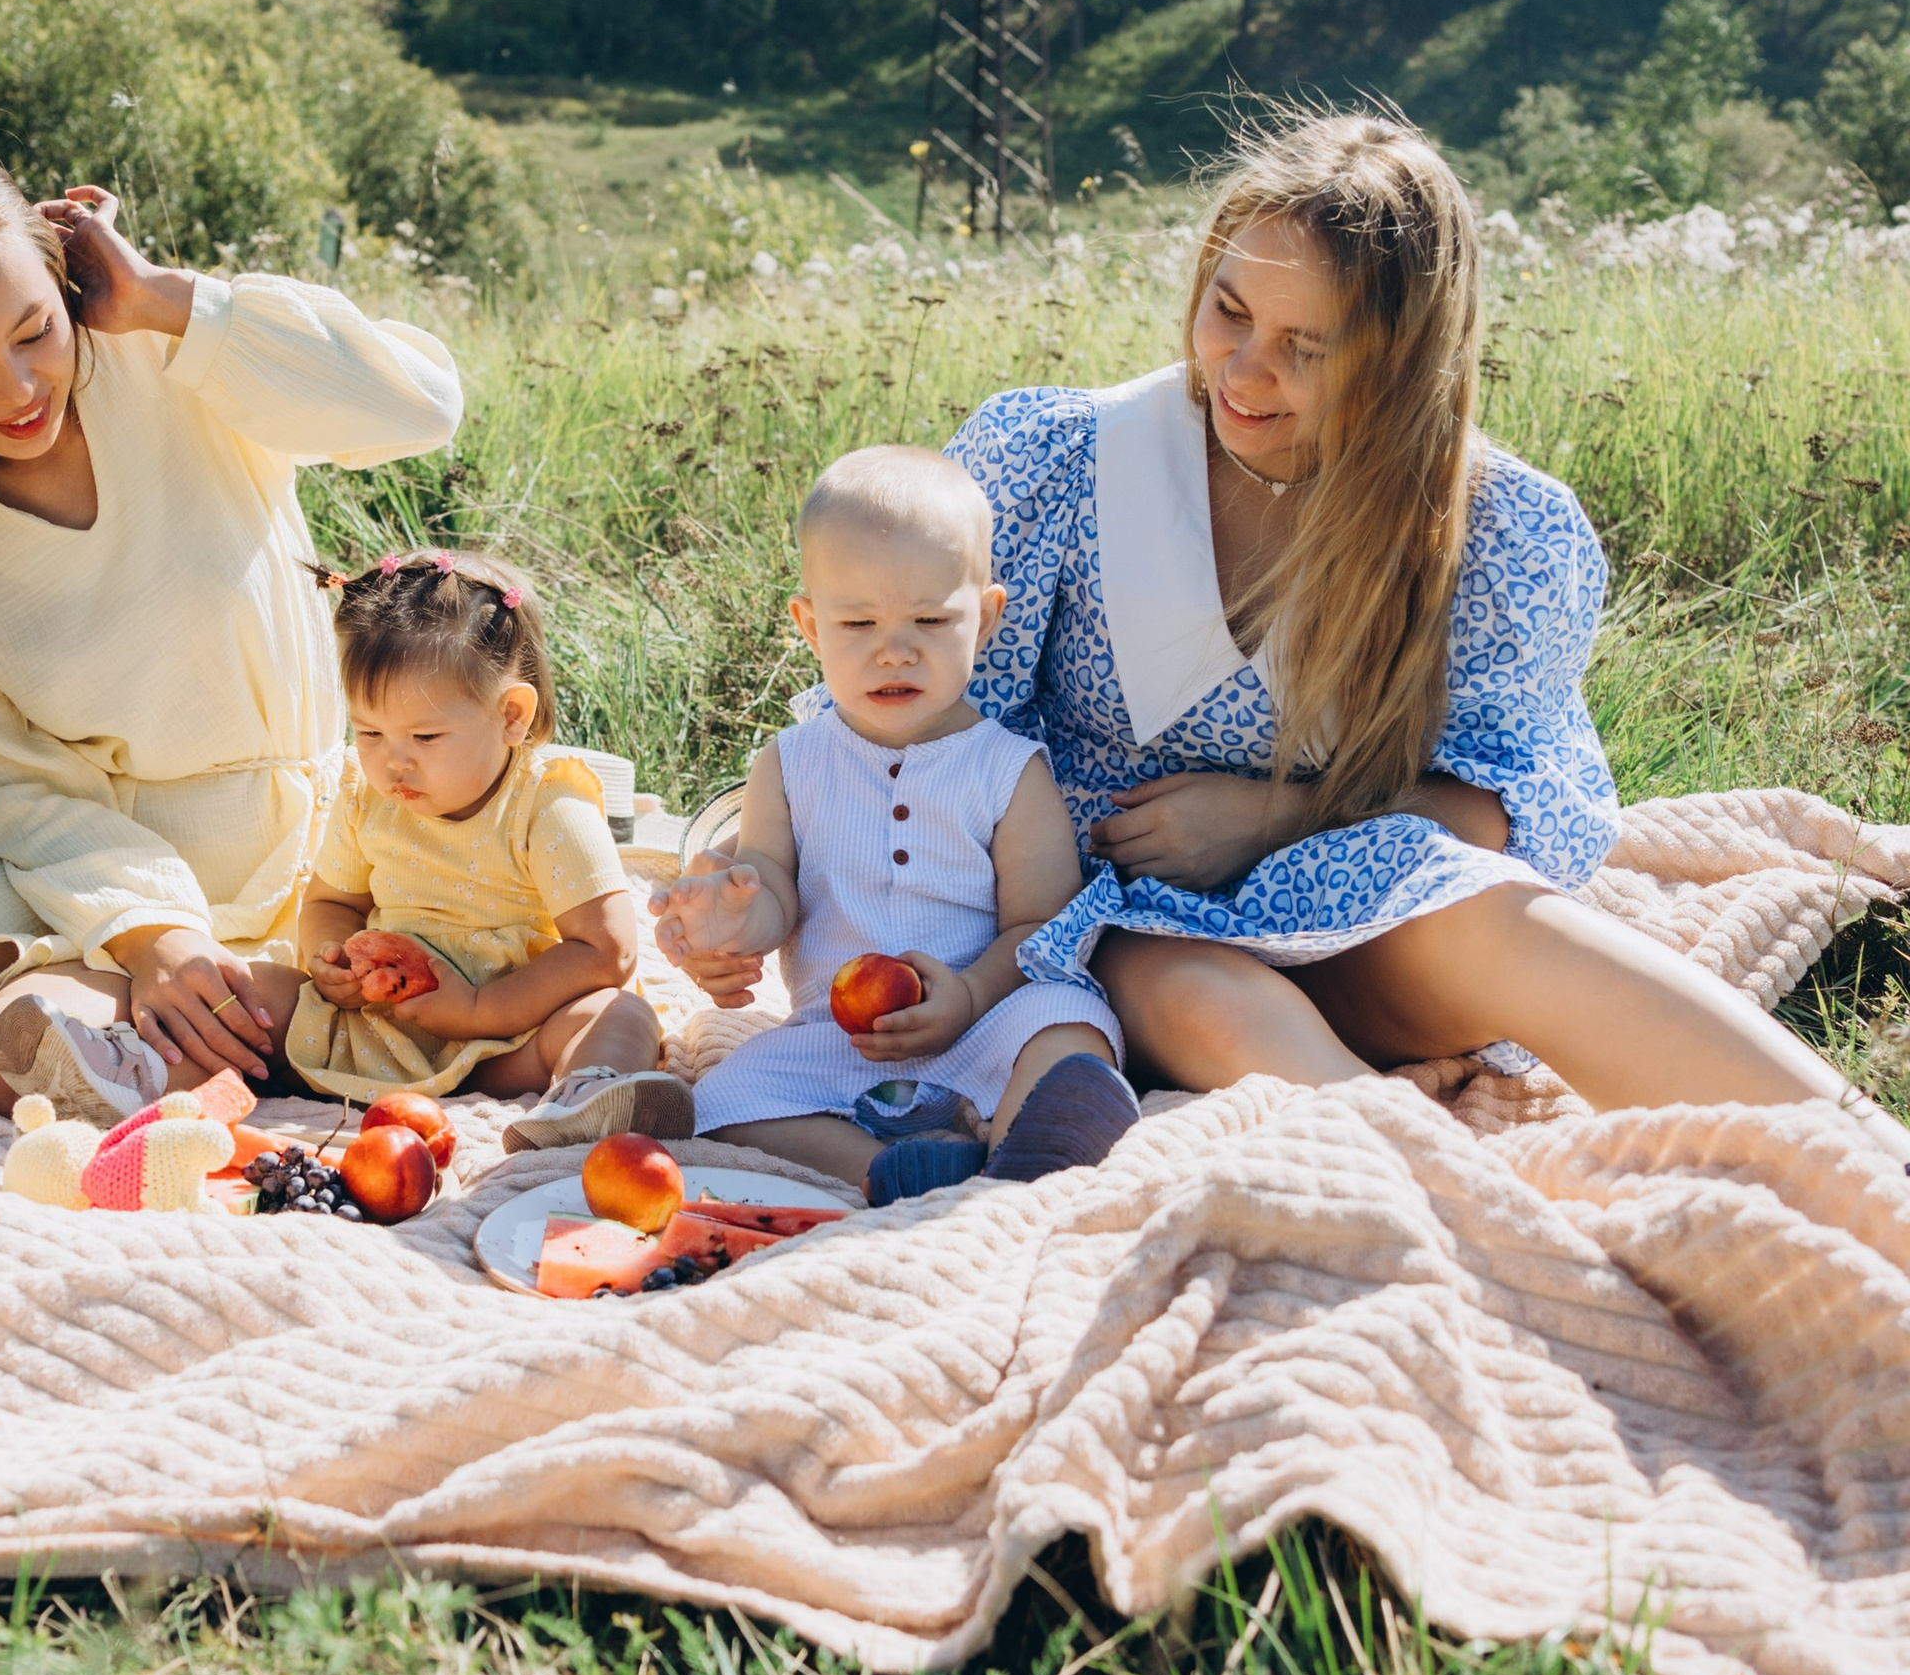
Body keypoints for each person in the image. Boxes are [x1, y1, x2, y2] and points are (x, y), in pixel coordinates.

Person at [931, 110, 1858, 1112]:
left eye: (1304, 347)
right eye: (1228, 311)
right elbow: (930, 729)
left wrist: (1269, 821)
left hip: (1355, 904)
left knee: (1516, 926)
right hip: (1110, 925)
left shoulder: (1496, 527)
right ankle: (1456, 1185)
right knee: (1209, 997)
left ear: (1399, 360)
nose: (1243, 371)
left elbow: (1498, 805)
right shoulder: (1056, 460)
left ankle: (1870, 1167)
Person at [0, 132, 461, 1117]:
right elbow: (20, 784)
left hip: (280, 851)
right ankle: (151, 1011)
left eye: (35, 332)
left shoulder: (167, 354)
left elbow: (421, 405)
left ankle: (154, 1014)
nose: (18, 389)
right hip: (78, 852)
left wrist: (173, 301)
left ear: (62, 281)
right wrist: (150, 935)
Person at [649, 446, 1136, 1197]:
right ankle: (887, 1170)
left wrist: (968, 997)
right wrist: (735, 922)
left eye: (930, 620)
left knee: (1072, 1024)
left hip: (983, 1023)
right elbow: (772, 887)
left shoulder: (1007, 769)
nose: (894, 651)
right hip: (837, 1042)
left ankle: (1024, 1147)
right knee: (719, 1102)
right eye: (858, 622)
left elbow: (1042, 927)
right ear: (812, 627)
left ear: (985, 619)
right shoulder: (791, 762)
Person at [256, 547, 689, 1144]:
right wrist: (331, 960)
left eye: (426, 736)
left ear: (510, 715)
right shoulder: (365, 792)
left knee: (618, 1015)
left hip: (512, 1043)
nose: (393, 761)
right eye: (370, 731)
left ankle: (587, 1101)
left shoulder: (545, 803)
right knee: (254, 988)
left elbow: (606, 950)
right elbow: (333, 902)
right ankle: (161, 1064)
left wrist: (481, 1009)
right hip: (378, 1031)